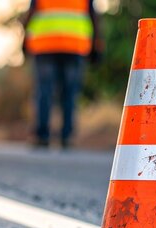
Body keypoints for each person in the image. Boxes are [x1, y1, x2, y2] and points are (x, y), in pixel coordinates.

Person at [24, 0, 101, 149]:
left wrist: (24, 39)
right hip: (74, 45)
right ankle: (67, 136)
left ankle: (42, 136)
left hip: (45, 45)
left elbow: (31, 13)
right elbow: (93, 16)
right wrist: (97, 43)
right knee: (70, 92)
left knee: (44, 91)